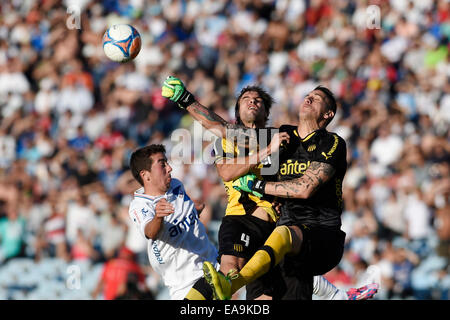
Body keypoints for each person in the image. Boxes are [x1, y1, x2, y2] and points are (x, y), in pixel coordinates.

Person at [161, 76, 379, 300]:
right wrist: (185, 99)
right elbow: (221, 132)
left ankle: (336, 295)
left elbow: (304, 189)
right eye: (246, 98)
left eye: (259, 100)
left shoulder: (326, 142)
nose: (309, 97)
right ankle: (338, 296)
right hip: (248, 220)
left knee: (279, 250)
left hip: (303, 230)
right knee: (261, 292)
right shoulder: (272, 140)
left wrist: (261, 186)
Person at [127, 144, 218, 300]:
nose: (169, 168)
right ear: (146, 175)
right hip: (186, 284)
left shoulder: (176, 185)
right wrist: (158, 217)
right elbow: (150, 232)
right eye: (162, 164)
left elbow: (185, 214)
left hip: (213, 264)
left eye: (167, 163)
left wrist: (195, 209)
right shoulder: (140, 206)